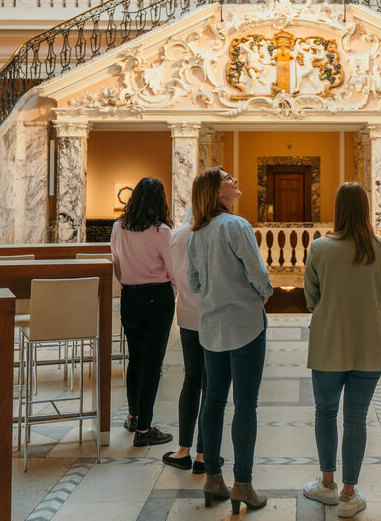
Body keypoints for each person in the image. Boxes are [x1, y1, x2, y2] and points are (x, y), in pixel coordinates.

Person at [302, 183, 381, 519]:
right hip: (368, 343)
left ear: (338, 209)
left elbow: (311, 298)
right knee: (356, 419)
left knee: (325, 413)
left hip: (328, 342)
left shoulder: (320, 248)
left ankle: (326, 482)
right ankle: (349, 493)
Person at [187, 168, 274, 512]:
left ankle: (212, 478)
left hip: (211, 327)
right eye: (227, 177)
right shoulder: (236, 226)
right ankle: (243, 484)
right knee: (246, 405)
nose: (235, 179)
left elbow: (193, 284)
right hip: (245, 325)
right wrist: (264, 293)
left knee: (213, 402)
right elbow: (258, 273)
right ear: (215, 190)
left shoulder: (198, 232)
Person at [111, 177, 175, 446]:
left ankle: (133, 415)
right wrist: (170, 292)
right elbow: (173, 269)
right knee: (153, 364)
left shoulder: (119, 227)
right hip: (156, 297)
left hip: (130, 296)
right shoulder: (161, 231)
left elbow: (115, 263)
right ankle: (145, 430)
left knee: (136, 359)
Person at [163, 207, 209, 472]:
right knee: (210, 386)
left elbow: (173, 274)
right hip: (212, 316)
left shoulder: (178, 235)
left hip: (187, 315)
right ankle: (204, 455)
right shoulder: (209, 233)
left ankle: (183, 450)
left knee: (191, 380)